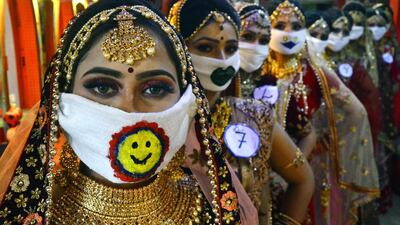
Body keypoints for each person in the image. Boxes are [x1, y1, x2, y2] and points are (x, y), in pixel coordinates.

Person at [0, 1, 251, 224]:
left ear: (187, 100)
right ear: (61, 100)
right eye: (102, 87)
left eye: (155, 88)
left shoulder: (214, 211)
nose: (128, 110)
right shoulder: (34, 212)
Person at [168, 1, 314, 224]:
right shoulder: (160, 122)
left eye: (231, 48)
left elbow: (304, 179)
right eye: (206, 47)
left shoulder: (255, 116)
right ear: (179, 50)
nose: (222, 59)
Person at [306, 8, 380, 225]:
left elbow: (356, 110)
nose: (318, 41)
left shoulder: (324, 68)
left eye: (323, 36)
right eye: (314, 34)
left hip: (324, 151)